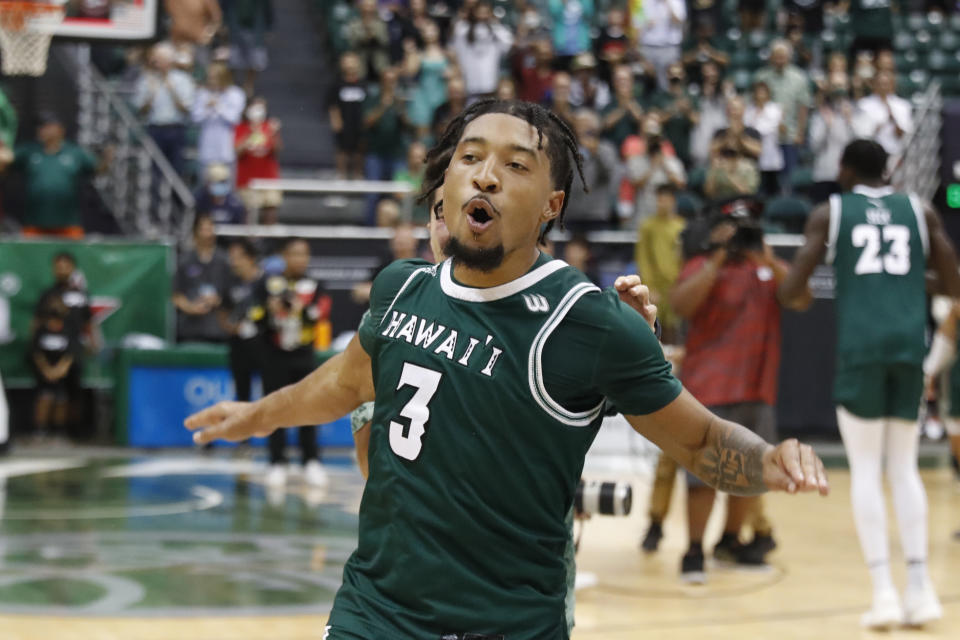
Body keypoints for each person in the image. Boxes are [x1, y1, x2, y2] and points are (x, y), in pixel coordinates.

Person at [187, 98, 829, 640]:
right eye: (470, 158)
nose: (486, 176)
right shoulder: (400, 290)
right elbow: (340, 383)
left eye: (514, 165)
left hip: (509, 623)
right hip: (374, 613)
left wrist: (768, 462)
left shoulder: (588, 321)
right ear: (443, 187)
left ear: (551, 205)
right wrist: (254, 416)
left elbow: (700, 439)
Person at [779, 139, 960, 628]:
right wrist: (903, 283)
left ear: (845, 169)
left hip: (861, 349)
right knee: (904, 469)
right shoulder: (920, 209)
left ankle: (883, 593)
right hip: (908, 348)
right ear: (887, 170)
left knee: (865, 471)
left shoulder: (831, 212)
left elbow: (793, 291)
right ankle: (921, 591)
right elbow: (954, 282)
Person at [671, 205, 800, 581]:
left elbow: (800, 297)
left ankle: (730, 542)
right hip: (709, 384)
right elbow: (681, 305)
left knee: (752, 472)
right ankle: (693, 552)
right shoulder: (701, 265)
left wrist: (770, 259)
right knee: (703, 474)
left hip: (757, 384)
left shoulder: (765, 270)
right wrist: (717, 259)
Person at [250, 238, 330, 488]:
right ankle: (276, 461)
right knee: (275, 408)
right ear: (284, 255)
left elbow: (321, 313)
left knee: (309, 407)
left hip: (304, 355)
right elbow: (254, 316)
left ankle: (311, 460)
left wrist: (300, 308)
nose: (299, 259)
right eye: (294, 254)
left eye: (304, 254)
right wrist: (270, 309)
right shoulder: (267, 283)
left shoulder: (315, 284)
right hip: (273, 355)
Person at [2, 112, 108, 239]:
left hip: (67, 224)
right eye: (40, 127)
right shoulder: (30, 151)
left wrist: (107, 158)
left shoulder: (74, 152)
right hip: (35, 224)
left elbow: (97, 168)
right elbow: (7, 159)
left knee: (72, 255)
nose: (42, 130)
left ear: (60, 129)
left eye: (47, 127)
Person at [217, 239, 264, 440]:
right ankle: (243, 439)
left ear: (251, 258)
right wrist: (233, 327)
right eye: (232, 258)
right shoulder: (230, 283)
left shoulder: (266, 282)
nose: (234, 262)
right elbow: (222, 314)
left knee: (271, 393)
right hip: (238, 345)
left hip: (264, 346)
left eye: (239, 257)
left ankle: (274, 439)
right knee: (242, 393)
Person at [754, 40, 812, 191]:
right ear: (771, 57)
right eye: (776, 56)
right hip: (764, 139)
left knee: (788, 181)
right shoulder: (761, 77)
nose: (780, 59)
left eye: (783, 56)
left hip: (789, 137)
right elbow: (754, 105)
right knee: (764, 182)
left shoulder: (799, 77)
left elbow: (803, 107)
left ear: (789, 57)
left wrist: (800, 132)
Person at [133, 42, 196, 175]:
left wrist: (171, 90)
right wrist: (150, 95)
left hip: (176, 129)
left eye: (160, 60)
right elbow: (140, 110)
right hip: (155, 128)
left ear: (169, 61)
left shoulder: (183, 79)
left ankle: (174, 196)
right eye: (156, 59)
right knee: (154, 169)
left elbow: (187, 108)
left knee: (176, 168)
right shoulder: (146, 79)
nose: (156, 63)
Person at [636, 185, 685, 344]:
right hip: (655, 285)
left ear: (673, 201)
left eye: (665, 200)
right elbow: (643, 258)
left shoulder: (681, 227)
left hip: (675, 284)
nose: (661, 204)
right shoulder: (648, 227)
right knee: (654, 329)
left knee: (675, 330)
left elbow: (684, 258)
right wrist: (649, 285)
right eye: (659, 200)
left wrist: (681, 283)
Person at [173, 213, 230, 343]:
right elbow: (175, 294)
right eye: (204, 229)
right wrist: (189, 307)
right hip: (188, 330)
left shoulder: (225, 260)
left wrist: (218, 300)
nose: (207, 234)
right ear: (195, 232)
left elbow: (232, 293)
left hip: (218, 330)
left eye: (210, 229)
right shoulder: (183, 260)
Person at [30, 302, 78, 443]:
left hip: (62, 374)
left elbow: (70, 354)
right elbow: (36, 353)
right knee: (45, 398)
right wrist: (46, 370)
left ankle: (59, 430)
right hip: (44, 374)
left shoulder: (68, 331)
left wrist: (59, 370)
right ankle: (40, 429)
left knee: (61, 399)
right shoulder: (41, 331)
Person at [565, 109, 620, 233]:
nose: (581, 128)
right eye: (578, 124)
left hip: (597, 215)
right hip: (572, 214)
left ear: (594, 127)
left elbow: (609, 175)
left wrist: (596, 153)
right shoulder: (567, 150)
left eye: (585, 124)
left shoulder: (606, 149)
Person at [192, 62, 246, 178]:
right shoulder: (202, 93)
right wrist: (206, 108)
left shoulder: (235, 93)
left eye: (215, 78)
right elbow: (196, 118)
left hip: (226, 147)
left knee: (226, 182)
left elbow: (235, 119)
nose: (212, 81)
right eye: (210, 78)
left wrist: (219, 106)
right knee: (205, 182)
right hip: (207, 145)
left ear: (223, 77)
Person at [809, 74, 857, 204]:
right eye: (835, 86)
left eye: (841, 86)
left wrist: (850, 122)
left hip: (848, 176)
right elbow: (815, 147)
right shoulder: (820, 115)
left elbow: (859, 146)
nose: (838, 90)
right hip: (824, 174)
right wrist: (827, 126)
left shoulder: (855, 112)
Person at [235, 96, 282, 224]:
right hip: (247, 180)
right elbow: (237, 152)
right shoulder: (240, 127)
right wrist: (250, 132)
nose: (258, 110)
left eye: (261, 107)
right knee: (249, 214)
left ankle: (270, 241)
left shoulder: (270, 127)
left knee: (271, 209)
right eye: (255, 107)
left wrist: (273, 134)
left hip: (269, 178)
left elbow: (277, 151)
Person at [451, 1, 513, 98]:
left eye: (485, 12)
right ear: (473, 12)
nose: (482, 15)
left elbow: (508, 43)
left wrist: (494, 23)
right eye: (479, 12)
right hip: (469, 83)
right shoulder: (463, 28)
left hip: (490, 83)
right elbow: (455, 51)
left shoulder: (495, 29)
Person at [327, 52, 367, 180]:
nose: (349, 65)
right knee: (342, 149)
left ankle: (357, 174)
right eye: (346, 62)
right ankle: (341, 174)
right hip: (344, 121)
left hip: (359, 122)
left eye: (352, 61)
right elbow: (332, 104)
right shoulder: (337, 84)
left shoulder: (363, 84)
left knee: (359, 149)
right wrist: (335, 119)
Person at [854, 71, 912, 158]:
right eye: (880, 84)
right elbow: (862, 135)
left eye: (886, 84)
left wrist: (893, 120)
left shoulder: (902, 106)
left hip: (895, 154)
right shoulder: (864, 105)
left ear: (892, 85)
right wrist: (878, 127)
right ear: (874, 85)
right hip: (872, 155)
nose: (883, 87)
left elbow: (905, 136)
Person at [744, 81, 784, 196]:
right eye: (758, 92)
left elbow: (766, 128)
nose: (760, 95)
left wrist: (756, 123)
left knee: (773, 191)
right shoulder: (749, 110)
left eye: (763, 92)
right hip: (754, 156)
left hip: (771, 156)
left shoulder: (775, 109)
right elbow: (746, 129)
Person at [638, 0, 687, 90]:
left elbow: (679, 22)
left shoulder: (676, 1)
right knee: (649, 80)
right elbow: (637, 23)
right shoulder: (644, 1)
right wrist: (645, 23)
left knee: (670, 80)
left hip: (670, 47)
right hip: (649, 47)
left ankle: (667, 102)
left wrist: (667, 4)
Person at [227, 0, 272, 96]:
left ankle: (249, 85)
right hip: (235, 28)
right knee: (233, 60)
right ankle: (233, 85)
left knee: (255, 61)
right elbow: (226, 7)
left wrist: (269, 28)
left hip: (256, 29)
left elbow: (267, 9)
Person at [345, 0, 391, 82]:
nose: (368, 9)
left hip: (379, 64)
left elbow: (385, 42)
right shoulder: (354, 24)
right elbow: (352, 44)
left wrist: (374, 35)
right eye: (366, 6)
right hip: (361, 66)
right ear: (361, 7)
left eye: (371, 6)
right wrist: (364, 37)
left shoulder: (380, 24)